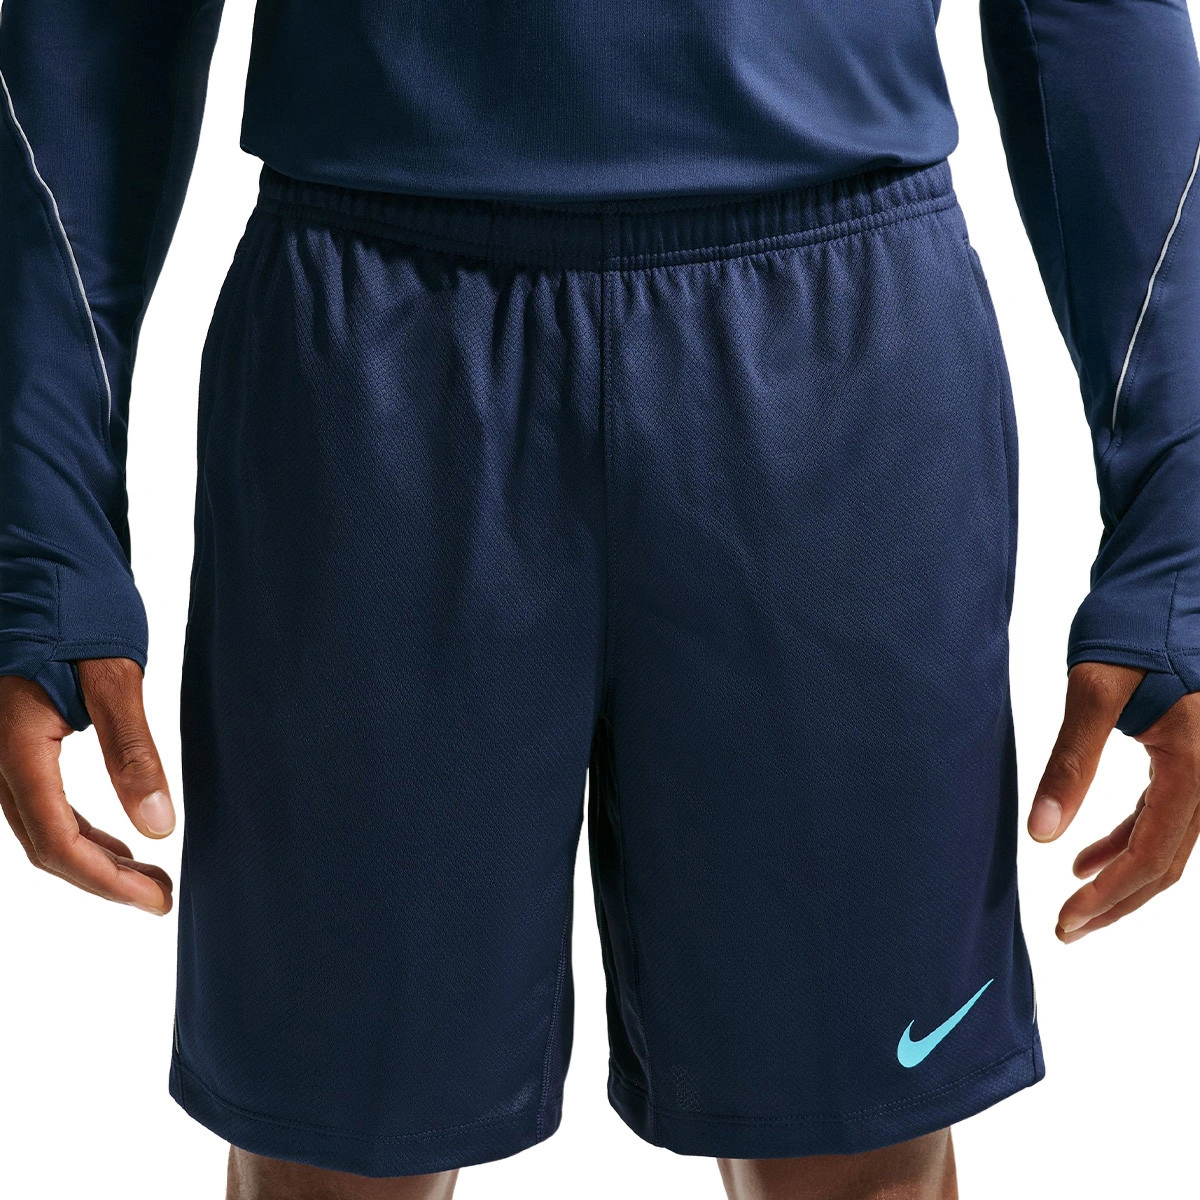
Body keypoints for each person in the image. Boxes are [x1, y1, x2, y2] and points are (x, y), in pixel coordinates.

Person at [2, 0, 1199, 1196]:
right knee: (336, 1149)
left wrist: (1183, 529)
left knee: (858, 1147)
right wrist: (38, 531)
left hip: (835, 358)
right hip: (375, 354)